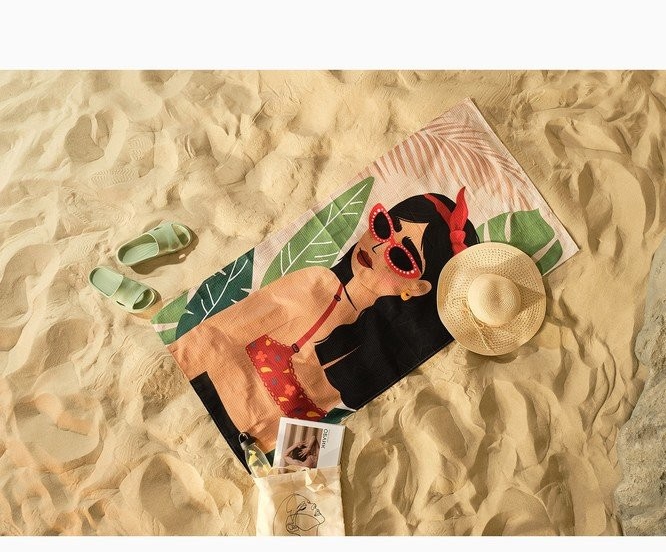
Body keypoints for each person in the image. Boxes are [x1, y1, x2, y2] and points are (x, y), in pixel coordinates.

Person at [170, 187, 479, 454]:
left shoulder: (374, 358)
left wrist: (282, 471)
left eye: (401, 257)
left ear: (419, 288)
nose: (377, 247)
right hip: (198, 403)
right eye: (383, 226)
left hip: (251, 453)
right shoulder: (317, 283)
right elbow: (217, 335)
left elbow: (324, 432)